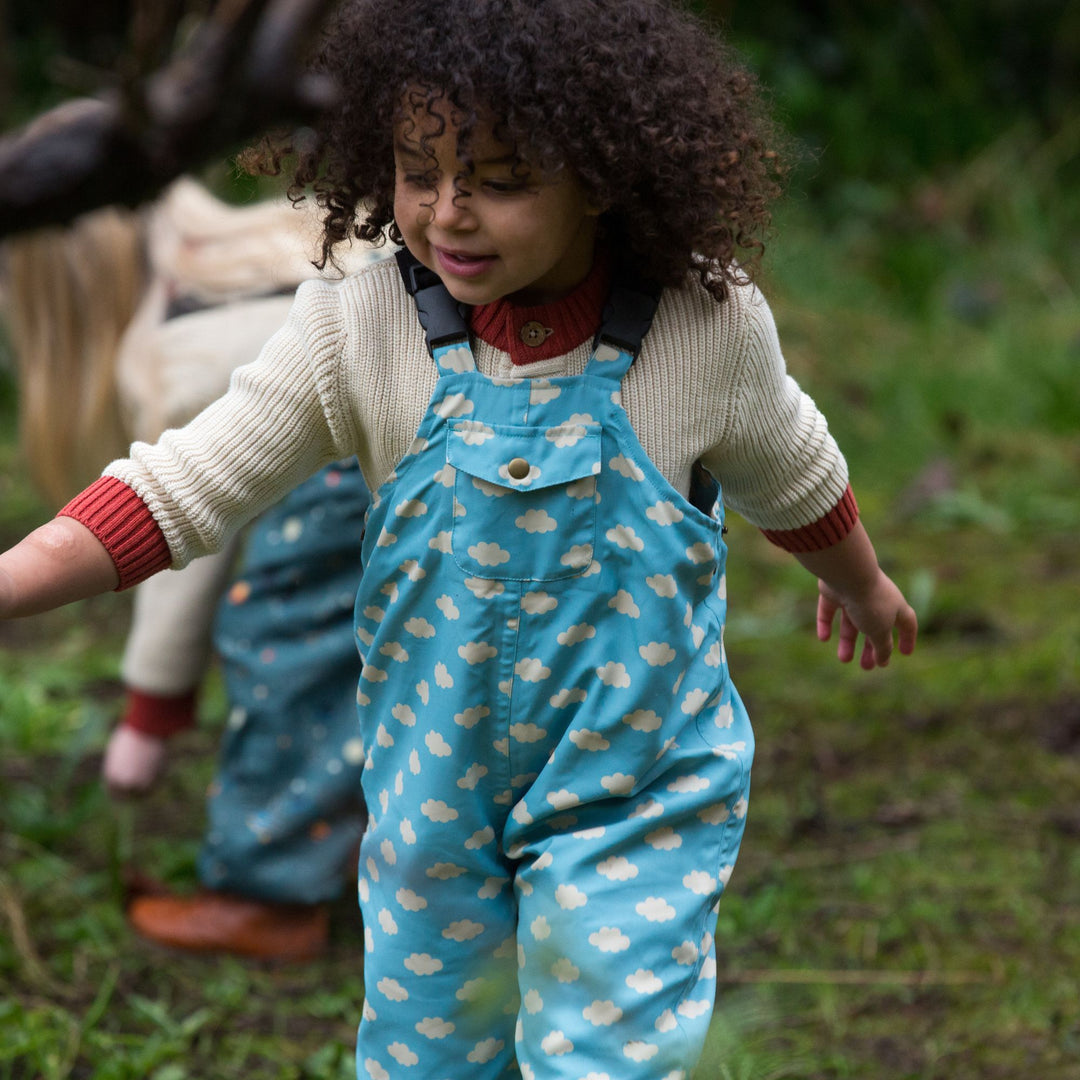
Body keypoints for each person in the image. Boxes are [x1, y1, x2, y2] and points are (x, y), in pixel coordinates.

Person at [0, 0, 918, 1074]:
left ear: (605, 175)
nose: (448, 214)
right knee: (426, 1055)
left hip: (633, 781)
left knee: (608, 1049)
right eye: (417, 169)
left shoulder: (703, 324)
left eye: (501, 178)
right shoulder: (360, 318)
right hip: (430, 794)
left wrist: (861, 586)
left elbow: (795, 471)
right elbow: (183, 489)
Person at [2, 180, 375, 959]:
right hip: (455, 419)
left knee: (287, 636)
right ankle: (372, 840)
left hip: (350, 459)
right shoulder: (274, 240)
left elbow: (181, 536)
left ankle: (266, 892)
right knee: (399, 643)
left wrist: (151, 708)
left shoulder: (174, 352)